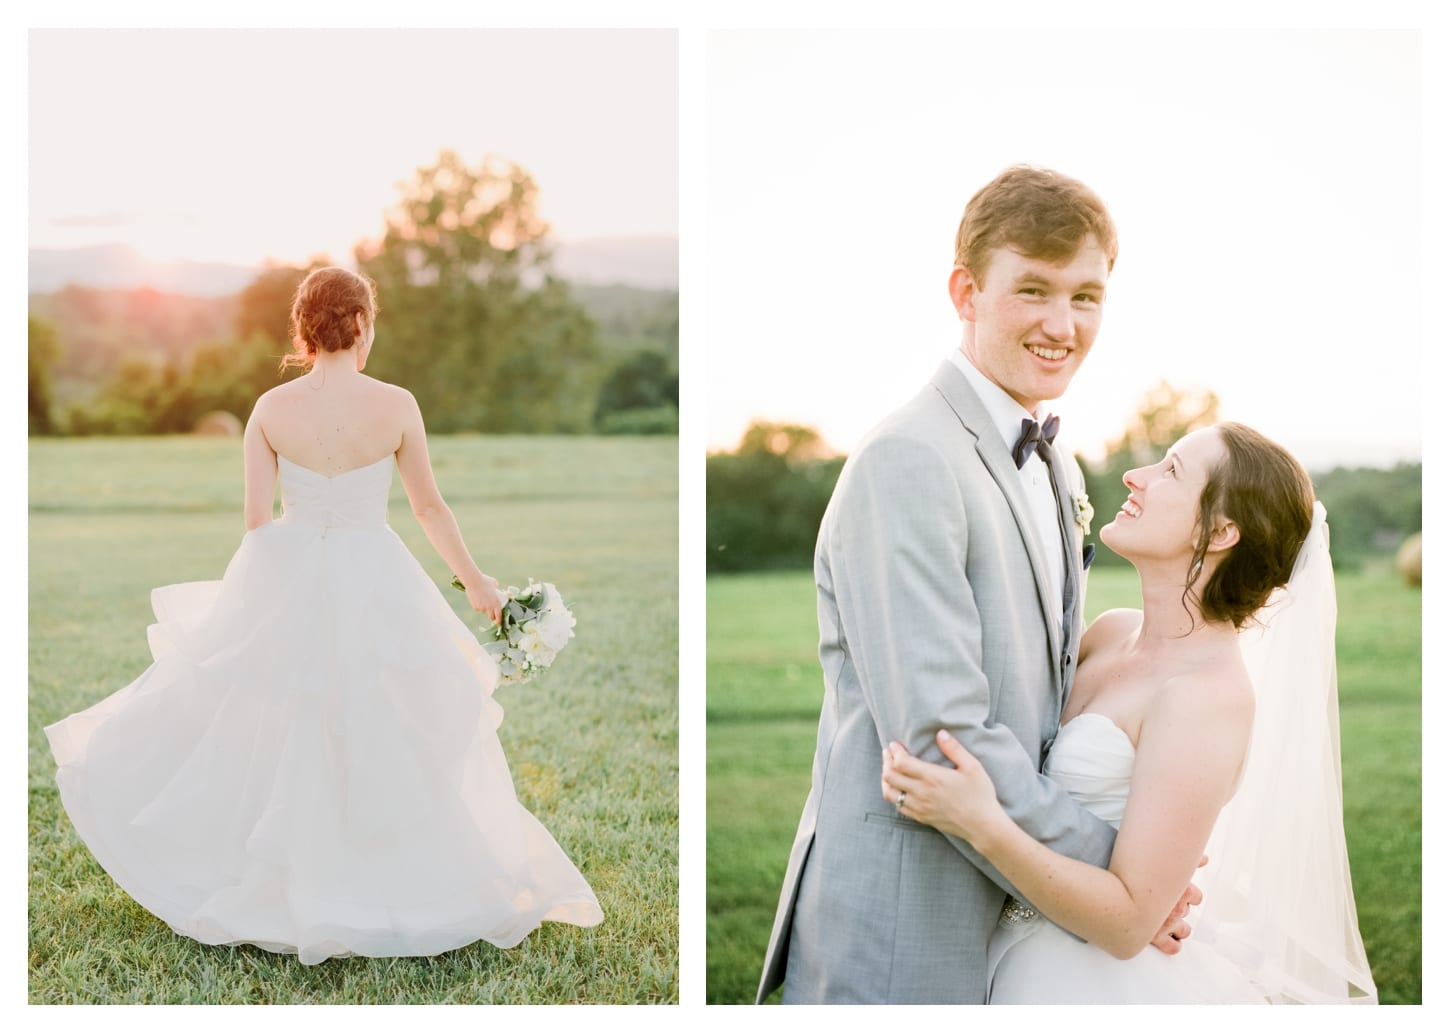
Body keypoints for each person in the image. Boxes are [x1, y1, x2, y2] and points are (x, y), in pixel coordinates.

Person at [44, 266, 603, 965]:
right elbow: (429, 508)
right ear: (362, 324)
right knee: (383, 718)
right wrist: (477, 582)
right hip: (379, 575)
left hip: (289, 572)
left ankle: (290, 871)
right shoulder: (397, 403)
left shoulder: (270, 410)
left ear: (302, 329)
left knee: (281, 724)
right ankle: (384, 873)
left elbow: (256, 523)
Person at [756, 166, 1193, 1005]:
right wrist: (1126, 872)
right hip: (902, 924)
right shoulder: (909, 460)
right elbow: (942, 736)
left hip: (1016, 918)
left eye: (1087, 296)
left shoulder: (1052, 456)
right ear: (966, 290)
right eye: (1033, 290)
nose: (1063, 325)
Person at [882, 423, 1378, 1004]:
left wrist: (977, 822)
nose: (1134, 477)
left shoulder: (1207, 695)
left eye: (1170, 471)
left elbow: (1126, 926)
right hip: (994, 945)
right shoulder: (1110, 631)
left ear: (1221, 532)